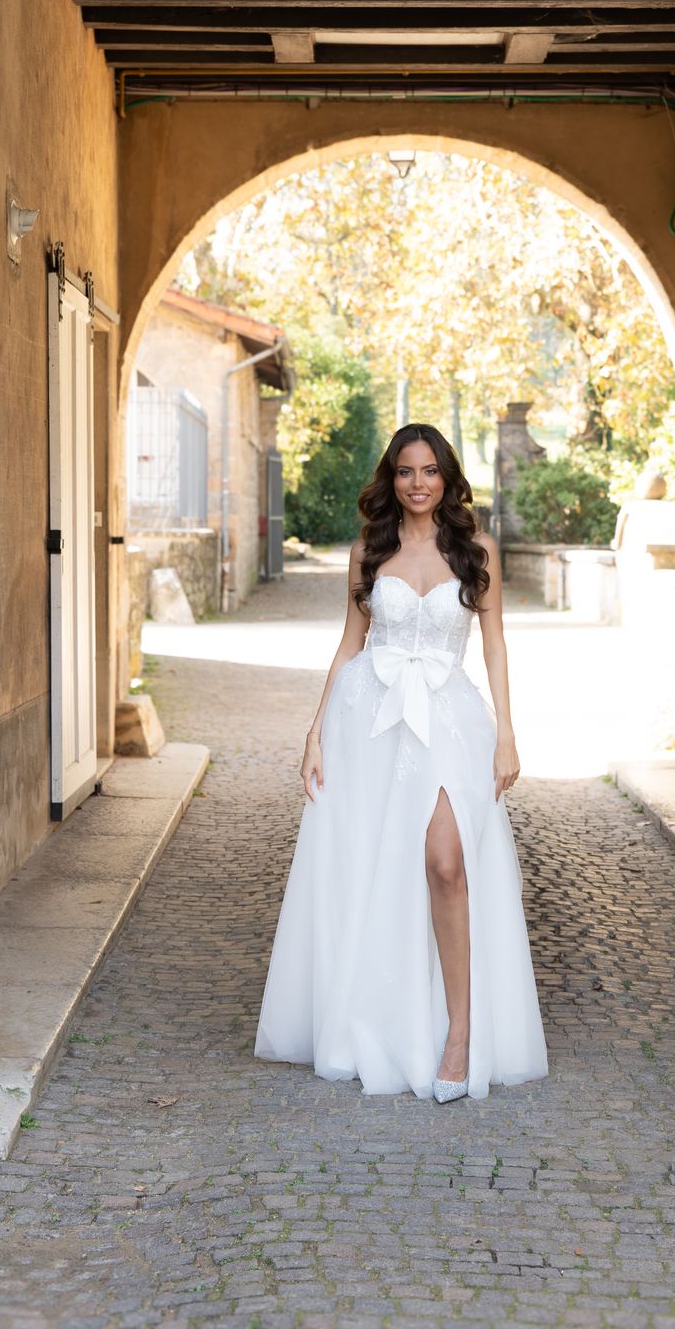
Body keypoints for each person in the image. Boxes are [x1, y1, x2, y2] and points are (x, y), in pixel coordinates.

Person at [254, 423, 548, 1103]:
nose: (419, 483)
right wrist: (315, 732)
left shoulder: (476, 549)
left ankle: (460, 1034)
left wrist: (507, 733)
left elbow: (495, 644)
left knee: (446, 863)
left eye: (430, 470)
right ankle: (378, 1020)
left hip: (450, 719)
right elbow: (350, 643)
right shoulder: (369, 550)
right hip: (369, 721)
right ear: (391, 478)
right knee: (373, 869)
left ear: (447, 478)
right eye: (406, 471)